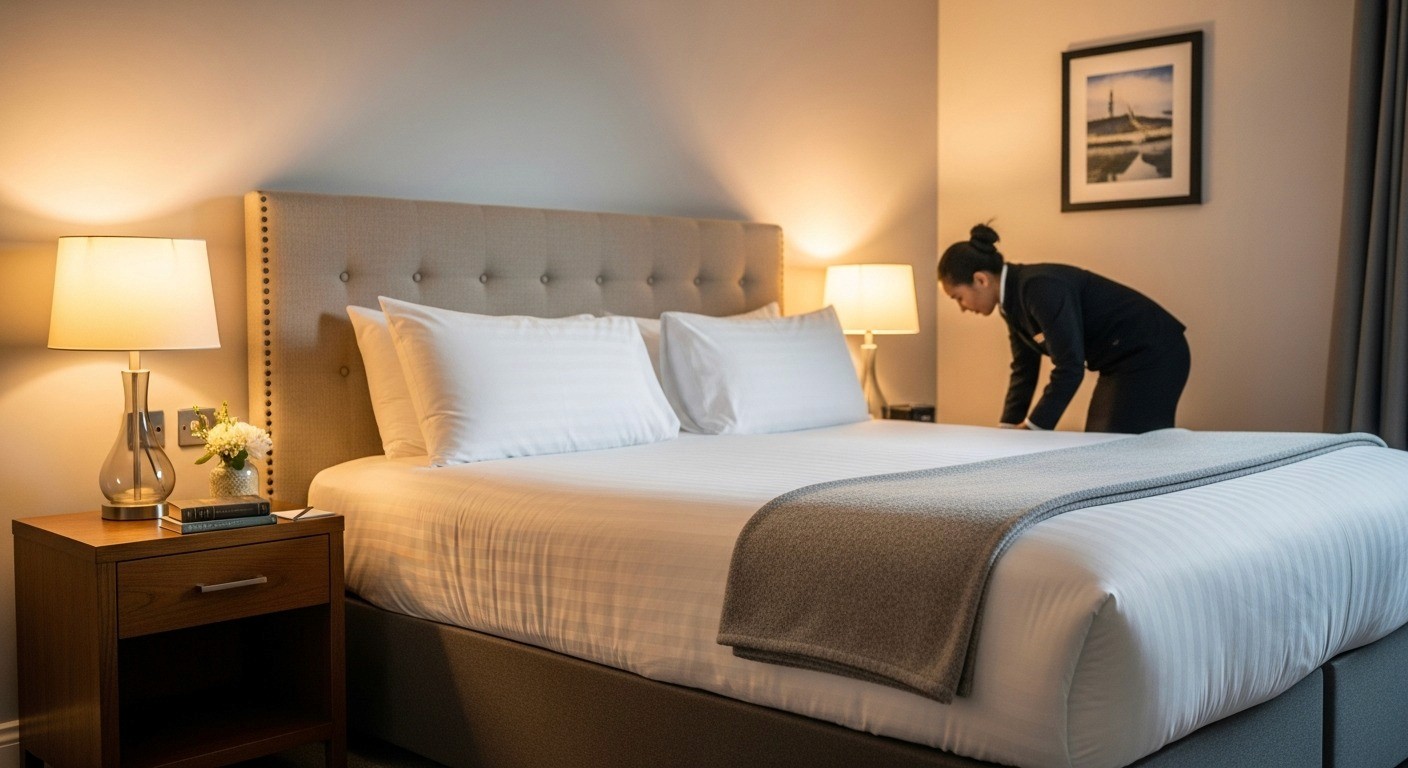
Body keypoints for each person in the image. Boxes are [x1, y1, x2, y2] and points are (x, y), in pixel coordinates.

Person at [939, 223, 1189, 434]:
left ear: (981, 279)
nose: (962, 308)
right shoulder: (1011, 301)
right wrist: (1006, 428)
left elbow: (1069, 367)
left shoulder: (1038, 287)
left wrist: (1033, 428)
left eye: (958, 298)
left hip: (1153, 351)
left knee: (1111, 447)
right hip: (1122, 360)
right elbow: (1024, 368)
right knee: (1102, 445)